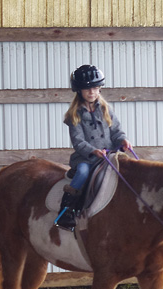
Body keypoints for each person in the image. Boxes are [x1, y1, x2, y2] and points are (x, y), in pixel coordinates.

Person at [54, 64, 133, 230]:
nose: (92, 92)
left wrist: (123, 140)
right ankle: (66, 210)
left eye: (96, 88)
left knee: (130, 171)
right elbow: (78, 141)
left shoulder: (106, 109)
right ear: (79, 91)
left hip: (110, 155)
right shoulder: (74, 115)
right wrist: (93, 151)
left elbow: (116, 131)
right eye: (87, 89)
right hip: (87, 158)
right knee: (82, 173)